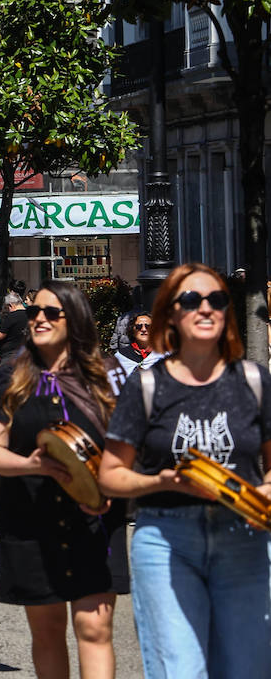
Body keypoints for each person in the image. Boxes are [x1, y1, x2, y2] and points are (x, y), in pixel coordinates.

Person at [99, 263, 271, 678]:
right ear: (171, 314)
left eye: (218, 299)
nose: (206, 308)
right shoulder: (146, 385)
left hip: (244, 537)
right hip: (166, 538)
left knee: (246, 669)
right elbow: (110, 474)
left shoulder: (253, 380)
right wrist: (160, 480)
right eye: (192, 300)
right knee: (181, 669)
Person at [0, 281, 128, 679]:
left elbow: (127, 444)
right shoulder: (12, 374)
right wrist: (35, 466)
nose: (39, 319)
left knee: (94, 627)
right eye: (33, 313)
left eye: (50, 312)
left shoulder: (106, 375)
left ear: (74, 319)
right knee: (47, 632)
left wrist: (109, 484)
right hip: (30, 515)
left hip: (95, 515)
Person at [0, 292, 28, 362]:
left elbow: (0, 335)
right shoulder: (30, 315)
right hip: (25, 352)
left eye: (7, 307)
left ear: (11, 305)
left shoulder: (11, 316)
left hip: (10, 355)